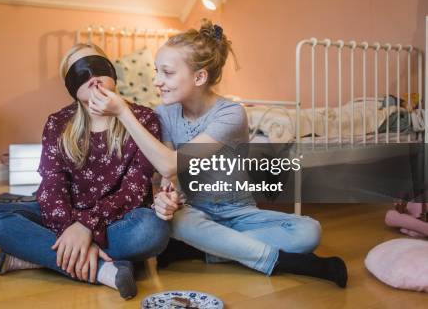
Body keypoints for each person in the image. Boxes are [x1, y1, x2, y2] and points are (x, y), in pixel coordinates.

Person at [87, 19, 348, 288]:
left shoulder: (231, 114)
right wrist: (167, 197)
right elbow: (168, 177)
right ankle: (284, 261)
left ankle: (205, 249)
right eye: (156, 72)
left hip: (239, 212)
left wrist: (122, 112)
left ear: (200, 77)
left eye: (166, 73)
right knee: (172, 220)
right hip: (192, 211)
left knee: (309, 231)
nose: (157, 81)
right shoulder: (165, 113)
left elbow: (170, 164)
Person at [0, 43, 169, 300]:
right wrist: (70, 226)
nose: (92, 77)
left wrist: (87, 227)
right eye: (80, 73)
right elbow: (51, 184)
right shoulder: (58, 123)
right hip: (64, 215)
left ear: (112, 72)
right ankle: (104, 270)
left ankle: (35, 255)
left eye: (98, 67)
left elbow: (134, 189)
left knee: (153, 229)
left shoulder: (144, 119)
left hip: (120, 219)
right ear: (70, 86)